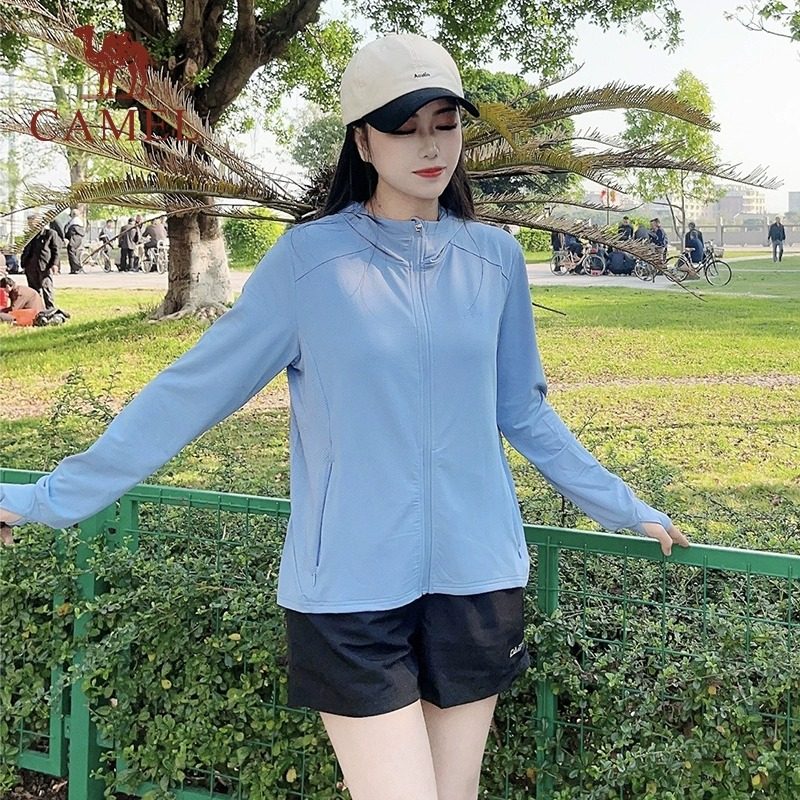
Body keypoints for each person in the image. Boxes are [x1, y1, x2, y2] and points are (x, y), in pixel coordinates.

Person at [0, 33, 689, 800]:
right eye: (404, 126)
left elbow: (521, 409)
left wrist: (622, 506)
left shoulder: (495, 260)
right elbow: (188, 394)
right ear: (362, 140)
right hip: (350, 592)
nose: (430, 145)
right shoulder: (308, 263)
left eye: (444, 123)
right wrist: (47, 498)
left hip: (478, 579)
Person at [20, 215, 59, 310]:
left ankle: (50, 309)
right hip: (30, 266)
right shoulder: (29, 235)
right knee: (33, 289)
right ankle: (37, 308)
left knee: (46, 287)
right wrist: (23, 263)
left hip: (44, 265)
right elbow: (25, 250)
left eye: (32, 223)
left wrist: (54, 264)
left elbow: (55, 250)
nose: (30, 226)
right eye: (29, 224)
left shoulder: (49, 234)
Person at [64, 208, 85, 274]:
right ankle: (74, 269)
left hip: (74, 238)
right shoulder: (78, 221)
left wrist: (66, 236)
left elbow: (71, 231)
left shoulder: (74, 222)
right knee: (74, 252)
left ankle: (77, 267)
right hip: (77, 238)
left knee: (71, 250)